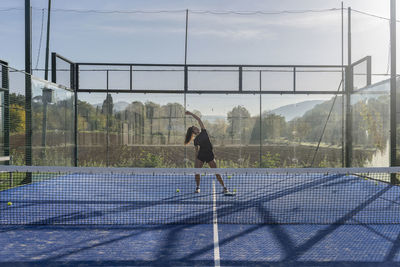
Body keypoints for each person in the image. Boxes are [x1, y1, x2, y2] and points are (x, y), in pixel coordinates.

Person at [184, 111, 232, 195]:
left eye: (196, 127)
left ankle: (224, 188)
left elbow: (198, 119)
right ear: (193, 132)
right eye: (195, 128)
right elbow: (196, 151)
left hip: (209, 155)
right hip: (201, 156)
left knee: (216, 172)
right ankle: (198, 187)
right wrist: (196, 161)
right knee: (197, 172)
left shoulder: (204, 131)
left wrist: (191, 114)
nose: (197, 128)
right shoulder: (195, 140)